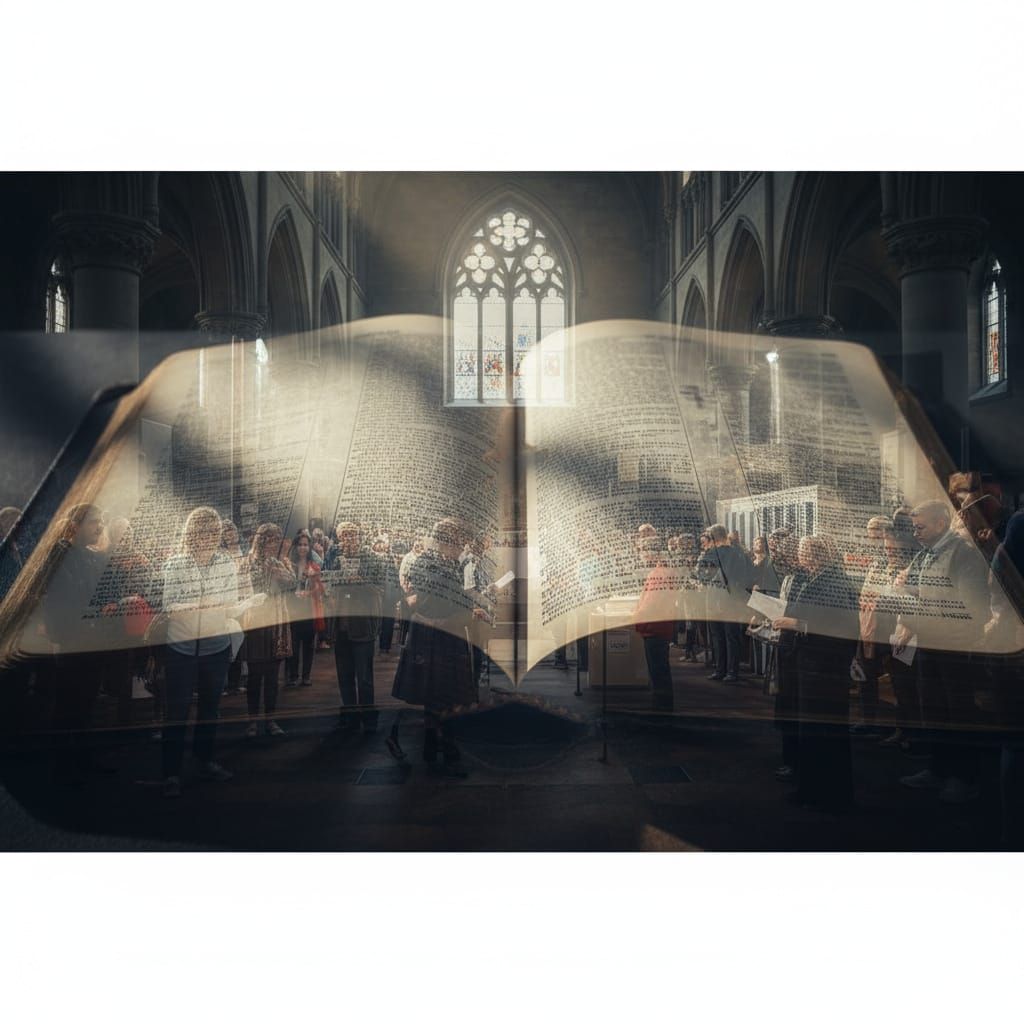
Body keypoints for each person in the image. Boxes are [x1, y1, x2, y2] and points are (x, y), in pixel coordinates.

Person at [895, 499, 992, 803]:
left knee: (957, 712)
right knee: (933, 709)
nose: (915, 533)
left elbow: (974, 609)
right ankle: (938, 770)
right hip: (930, 643)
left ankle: (964, 778)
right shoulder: (926, 553)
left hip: (953, 648)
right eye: (914, 528)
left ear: (941, 523)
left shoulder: (963, 554)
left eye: (920, 527)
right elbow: (926, 595)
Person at [161, 506, 251, 798]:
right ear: (192, 534)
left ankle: (204, 760)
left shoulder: (226, 563)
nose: (210, 537)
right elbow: (169, 605)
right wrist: (199, 605)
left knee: (210, 708)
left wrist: (242, 606)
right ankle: (171, 773)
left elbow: (230, 603)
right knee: (177, 711)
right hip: (182, 646)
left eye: (214, 532)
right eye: (204, 532)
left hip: (215, 645)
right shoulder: (175, 564)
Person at [392, 517, 483, 774]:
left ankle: (444, 743)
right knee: (432, 689)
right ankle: (434, 744)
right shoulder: (425, 562)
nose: (459, 545)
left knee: (449, 690)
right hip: (431, 632)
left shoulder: (460, 563)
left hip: (449, 631)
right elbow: (426, 596)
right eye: (455, 540)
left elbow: (464, 595)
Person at [773, 534, 857, 811]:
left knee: (822, 730)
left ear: (817, 555)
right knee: (812, 729)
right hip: (811, 663)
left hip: (824, 666)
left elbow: (840, 624)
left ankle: (823, 793)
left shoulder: (833, 581)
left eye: (803, 552)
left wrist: (797, 623)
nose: (799, 556)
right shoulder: (815, 577)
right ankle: (813, 788)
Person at [41, 503, 110, 783]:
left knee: (86, 703)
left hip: (90, 639)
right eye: (94, 521)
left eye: (101, 521)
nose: (100, 526)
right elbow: (62, 600)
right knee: (68, 704)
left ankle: (81, 759)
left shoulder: (88, 556)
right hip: (72, 640)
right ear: (74, 526)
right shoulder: (60, 554)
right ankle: (62, 766)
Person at [323, 521, 383, 734]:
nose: (349, 539)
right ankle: (350, 717)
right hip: (340, 625)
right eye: (345, 535)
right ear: (339, 538)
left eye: (353, 534)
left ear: (359, 536)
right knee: (344, 676)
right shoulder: (333, 557)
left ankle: (369, 719)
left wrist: (360, 581)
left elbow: (380, 588)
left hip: (363, 624)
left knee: (364, 677)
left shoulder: (372, 558)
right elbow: (325, 583)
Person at [241, 522, 295, 738]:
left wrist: (282, 574)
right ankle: (252, 721)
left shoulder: (279, 561)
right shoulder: (247, 562)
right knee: (254, 676)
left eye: (276, 540)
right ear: (261, 541)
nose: (273, 544)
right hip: (255, 622)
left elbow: (293, 583)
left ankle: (270, 720)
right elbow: (242, 588)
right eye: (269, 540)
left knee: (272, 676)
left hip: (276, 622)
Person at [850, 515, 894, 735]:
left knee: (894, 677)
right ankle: (868, 719)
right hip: (868, 622)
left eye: (876, 537)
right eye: (870, 537)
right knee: (865, 673)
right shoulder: (876, 561)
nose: (872, 542)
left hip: (886, 626)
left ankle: (893, 725)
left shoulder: (893, 558)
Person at [695, 523, 752, 682]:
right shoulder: (738, 553)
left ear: (712, 538)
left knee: (717, 636)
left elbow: (701, 575)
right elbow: (745, 576)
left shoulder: (710, 553)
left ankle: (720, 669)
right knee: (732, 636)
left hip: (714, 598)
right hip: (732, 599)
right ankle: (732, 671)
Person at [635, 537, 676, 711]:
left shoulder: (658, 574)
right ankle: (663, 706)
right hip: (659, 626)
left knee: (658, 671)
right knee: (660, 670)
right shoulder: (663, 571)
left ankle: (662, 710)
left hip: (655, 627)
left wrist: (636, 616)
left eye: (643, 551)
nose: (641, 555)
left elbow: (651, 603)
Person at [286, 530, 325, 687]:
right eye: (300, 545)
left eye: (305, 545)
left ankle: (306, 676)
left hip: (308, 608)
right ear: (295, 547)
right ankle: (293, 676)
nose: (303, 548)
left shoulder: (314, 566)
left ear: (309, 547)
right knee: (293, 645)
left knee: (308, 645)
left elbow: (320, 590)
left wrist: (310, 589)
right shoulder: (289, 565)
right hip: (293, 608)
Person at [219, 520, 249, 695]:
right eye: (227, 532)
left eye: (233, 531)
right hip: (227, 602)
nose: (232, 535)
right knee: (226, 642)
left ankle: (235, 682)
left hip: (242, 600)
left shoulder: (243, 551)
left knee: (240, 642)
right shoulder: (221, 555)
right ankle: (223, 683)